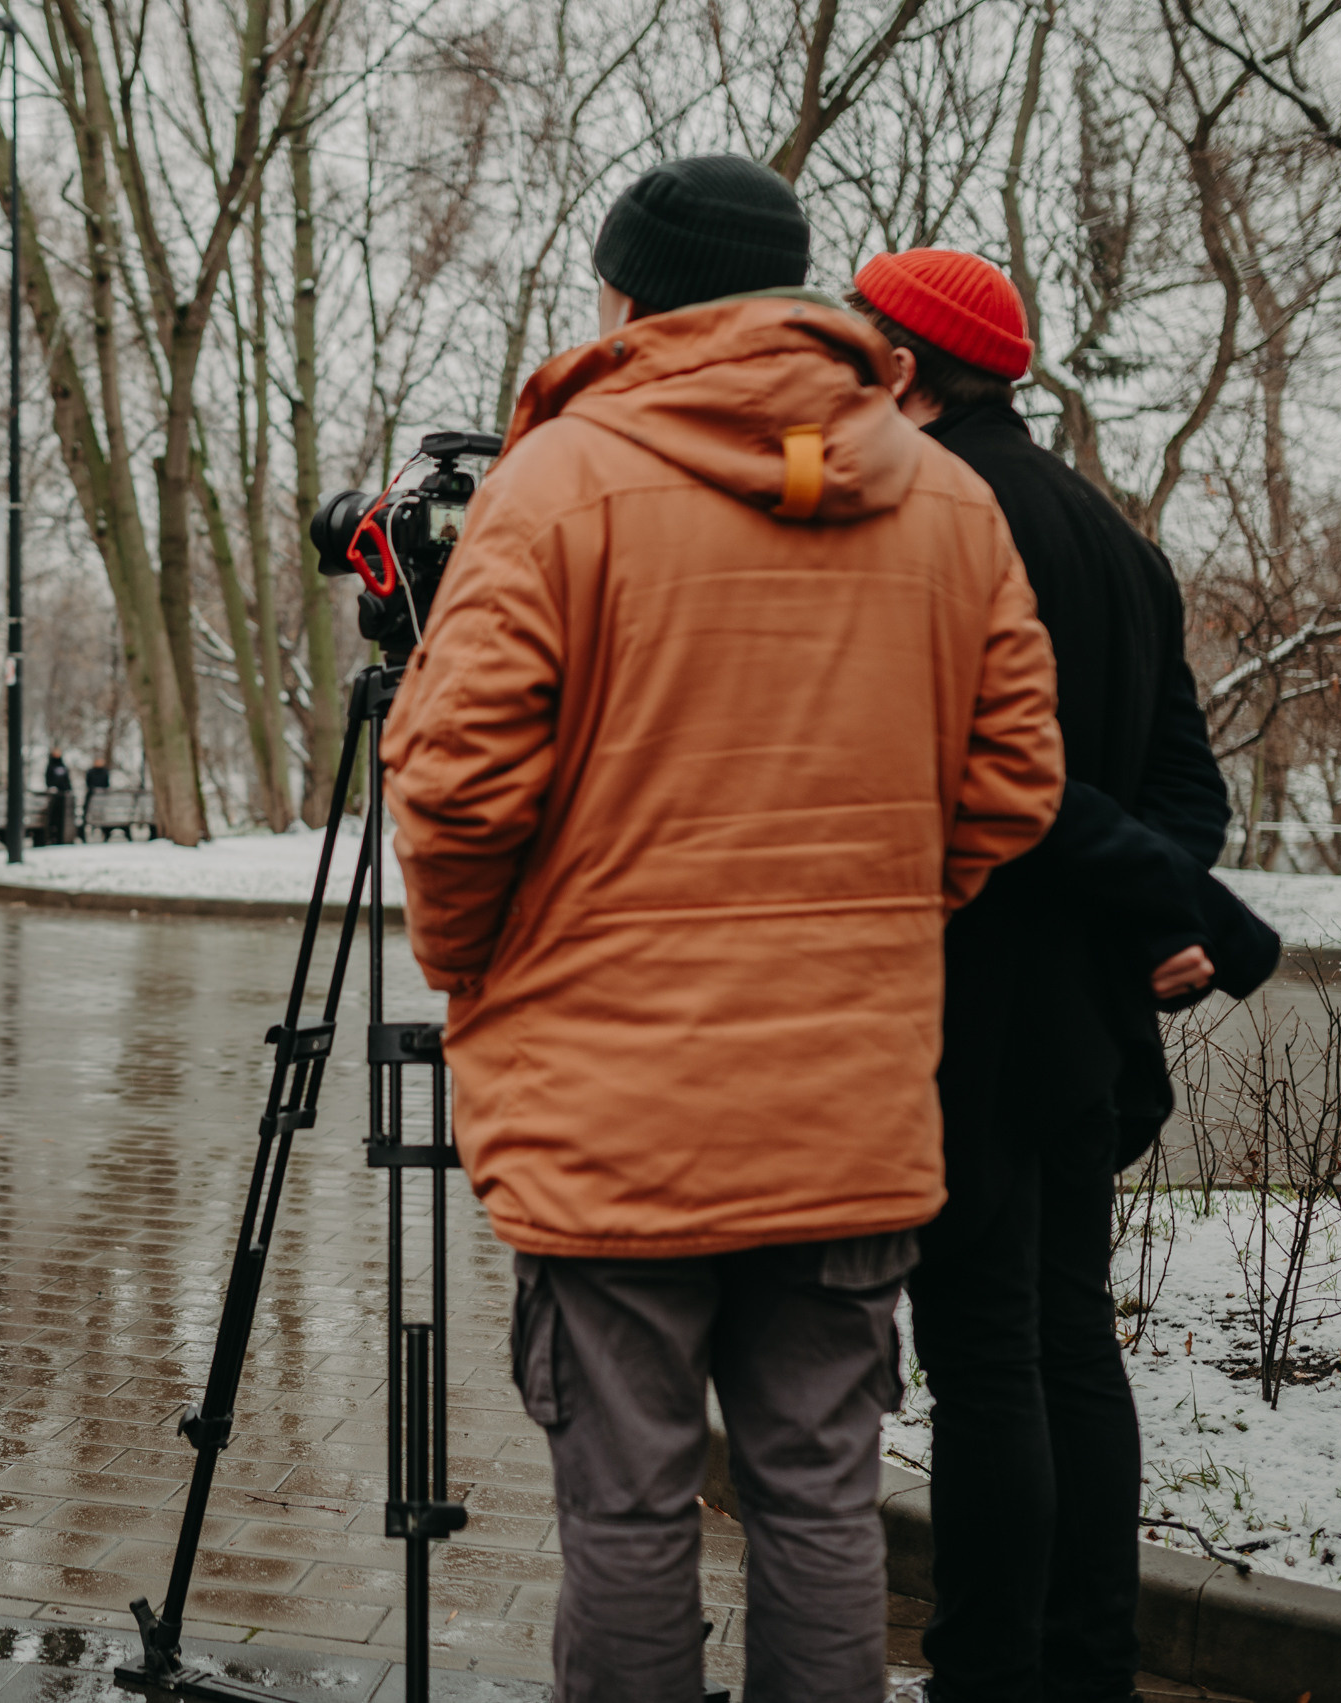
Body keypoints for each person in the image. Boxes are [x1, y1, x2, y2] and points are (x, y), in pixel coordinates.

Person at [381, 156, 1066, 1703]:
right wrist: (876, 922)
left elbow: (455, 789)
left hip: (611, 1104)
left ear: (626, 298)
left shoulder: (556, 483)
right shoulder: (946, 497)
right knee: (823, 1497)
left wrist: (480, 958)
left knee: (626, 1502)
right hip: (845, 1101)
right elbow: (1018, 780)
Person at [847, 249, 1278, 1703]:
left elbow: (949, 773)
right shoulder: (1116, 539)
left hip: (962, 992)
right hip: (1089, 1013)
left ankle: (985, 1671)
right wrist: (1136, 923)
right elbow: (1182, 791)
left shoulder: (921, 514)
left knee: (984, 1355)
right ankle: (1089, 1664)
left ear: (906, 366)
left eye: (860, 341)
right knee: (1073, 1338)